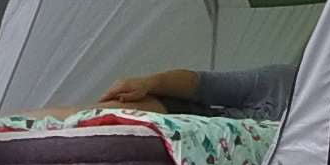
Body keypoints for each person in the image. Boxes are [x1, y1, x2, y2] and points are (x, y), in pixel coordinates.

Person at [93, 62, 295, 118]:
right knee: (126, 108)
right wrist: (147, 84)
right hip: (204, 124)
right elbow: (203, 84)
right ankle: (65, 123)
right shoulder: (285, 79)